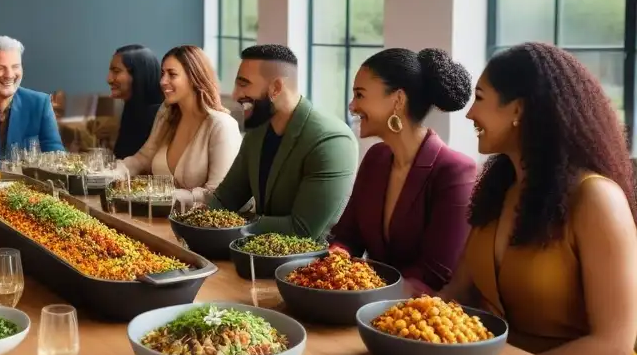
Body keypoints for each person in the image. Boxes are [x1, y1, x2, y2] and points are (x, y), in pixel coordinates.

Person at [441, 43, 637, 355]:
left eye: (481, 98)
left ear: (519, 110)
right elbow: (457, 294)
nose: (470, 114)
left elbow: (613, 345)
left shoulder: (595, 200)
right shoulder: (500, 189)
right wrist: (397, 335)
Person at [328, 48, 476, 293]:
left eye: (360, 95)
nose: (352, 106)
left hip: (415, 319)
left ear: (398, 99)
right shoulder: (376, 158)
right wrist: (336, 259)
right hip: (361, 302)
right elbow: (347, 235)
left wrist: (364, 289)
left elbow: (434, 273)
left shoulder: (455, 171)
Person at [210, 44, 358, 240]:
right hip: (254, 255)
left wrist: (236, 223)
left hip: (310, 265)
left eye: (244, 84)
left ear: (276, 88)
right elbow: (224, 200)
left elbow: (301, 229)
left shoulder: (331, 140)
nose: (235, 94)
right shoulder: (257, 131)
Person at [119, 45, 241, 205]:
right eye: (162, 73)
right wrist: (110, 172)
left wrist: (164, 196)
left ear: (194, 77)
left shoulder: (222, 125)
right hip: (155, 217)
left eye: (172, 74)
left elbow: (218, 193)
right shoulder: (166, 112)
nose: (163, 81)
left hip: (195, 227)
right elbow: (143, 158)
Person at [108, 44, 164, 160]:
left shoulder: (157, 115)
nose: (109, 79)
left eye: (116, 71)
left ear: (138, 75)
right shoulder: (132, 108)